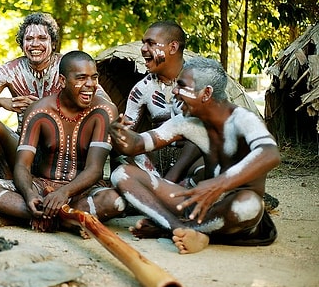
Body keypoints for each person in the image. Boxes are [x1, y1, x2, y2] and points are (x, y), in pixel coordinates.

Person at [110, 57, 280, 254]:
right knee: (122, 174)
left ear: (206, 93)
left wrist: (219, 184)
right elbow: (137, 144)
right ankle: (177, 228)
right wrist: (119, 135)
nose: (174, 91)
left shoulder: (243, 119)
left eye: (181, 85)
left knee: (248, 205)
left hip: (234, 211)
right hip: (199, 207)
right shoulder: (187, 121)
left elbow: (271, 154)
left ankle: (176, 229)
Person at [0, 50, 125, 232]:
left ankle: (33, 216)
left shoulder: (104, 111)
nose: (90, 85)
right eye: (81, 78)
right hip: (42, 186)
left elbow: (95, 169)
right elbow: (22, 166)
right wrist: (29, 194)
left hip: (83, 192)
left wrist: (64, 193)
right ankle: (67, 219)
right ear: (62, 81)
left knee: (115, 201)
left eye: (94, 77)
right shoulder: (39, 111)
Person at [0, 12, 110, 178]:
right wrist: (2, 102)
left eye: (42, 38)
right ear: (22, 43)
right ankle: (13, 179)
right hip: (23, 146)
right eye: (29, 39)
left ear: (53, 43)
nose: (35, 44)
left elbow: (105, 102)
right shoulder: (9, 71)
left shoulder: (68, 67)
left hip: (63, 147)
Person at [121, 21, 201, 183]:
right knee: (121, 172)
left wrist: (172, 176)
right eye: (143, 43)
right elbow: (126, 136)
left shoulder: (201, 82)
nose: (143, 49)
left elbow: (207, 134)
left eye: (150, 43)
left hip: (194, 162)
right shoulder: (142, 89)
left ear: (172, 47)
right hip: (157, 165)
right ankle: (163, 190)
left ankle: (168, 190)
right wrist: (118, 135)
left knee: (210, 167)